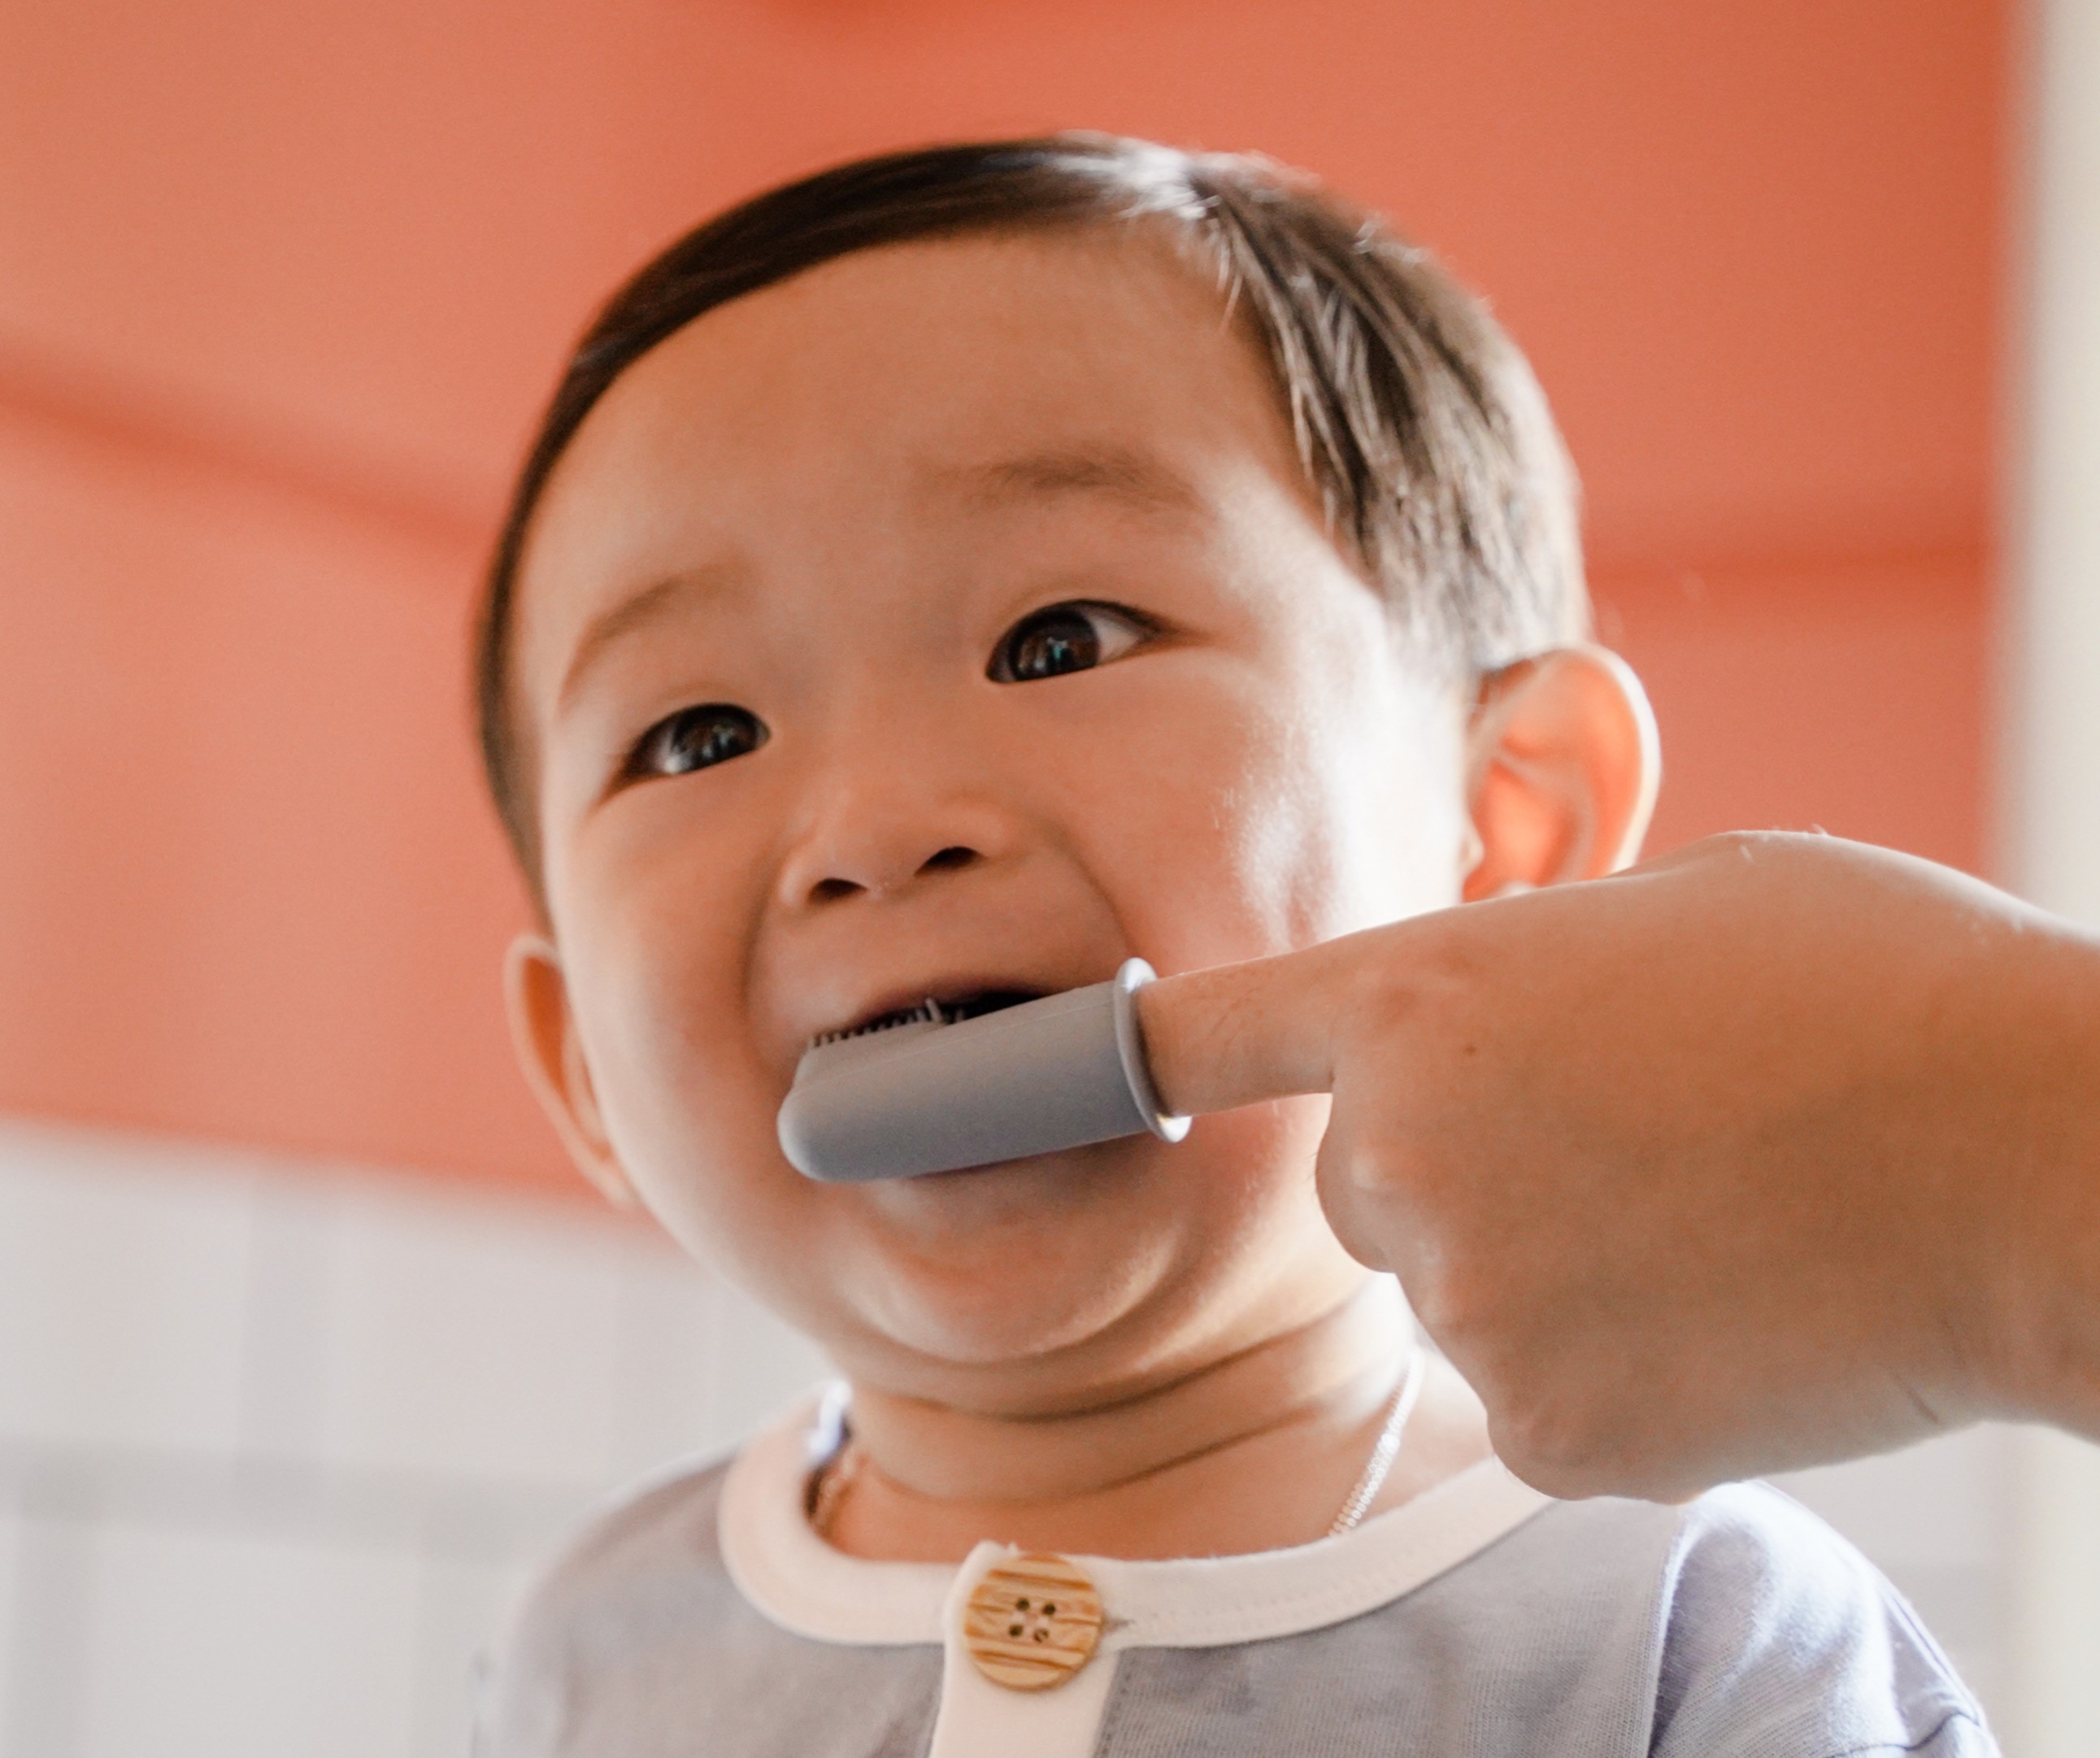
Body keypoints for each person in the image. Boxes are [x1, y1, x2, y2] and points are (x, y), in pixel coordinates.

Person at [472, 136, 1993, 1756]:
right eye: (700, 735)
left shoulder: (1690, 1639)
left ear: (1507, 822)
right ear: (581, 1067)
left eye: (1058, 641)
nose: (872, 827)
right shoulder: (587, 1644)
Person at [1136, 826, 2100, 1502]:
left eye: (1060, 647)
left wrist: (1986, 1160)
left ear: (1515, 819)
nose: (973, 793)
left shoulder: (1730, 1642)